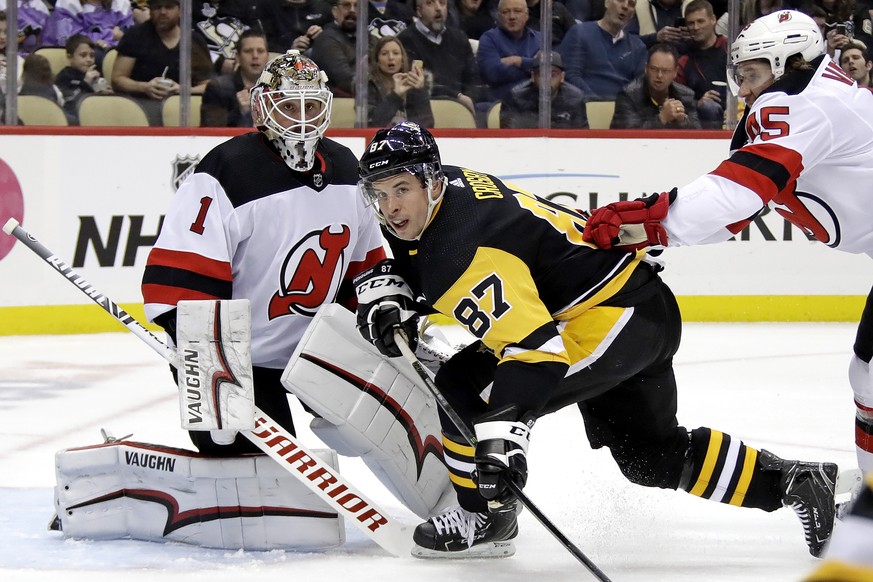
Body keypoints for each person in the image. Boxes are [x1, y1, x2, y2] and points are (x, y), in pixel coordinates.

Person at [354, 120, 840, 559]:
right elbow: (414, 245)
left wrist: (505, 433)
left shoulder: (461, 254)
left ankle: (485, 516)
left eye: (401, 189)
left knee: (465, 395)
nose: (391, 206)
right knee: (650, 456)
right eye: (380, 193)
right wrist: (391, 287)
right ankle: (796, 480)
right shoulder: (447, 185)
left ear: (430, 181)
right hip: (632, 307)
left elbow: (535, 353)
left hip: (611, 322)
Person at [582, 11, 873, 478]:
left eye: (752, 74)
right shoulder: (820, 92)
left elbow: (735, 194)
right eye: (739, 76)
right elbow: (739, 211)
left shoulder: (801, 101)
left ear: (788, 63)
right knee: (869, 378)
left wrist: (649, 220)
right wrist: (651, 236)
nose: (743, 89)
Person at [142, 51, 387, 455]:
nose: (302, 118)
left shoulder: (347, 170)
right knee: (248, 459)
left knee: (379, 433)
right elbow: (181, 288)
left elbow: (365, 273)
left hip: (316, 351)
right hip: (239, 358)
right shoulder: (225, 172)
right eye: (289, 106)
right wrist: (210, 369)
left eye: (311, 106)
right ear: (263, 108)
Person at [110, 0, 213, 125]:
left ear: (180, 10)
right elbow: (117, 79)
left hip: (181, 108)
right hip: (140, 106)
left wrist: (182, 90)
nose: (163, 12)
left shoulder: (194, 41)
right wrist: (144, 87)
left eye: (169, 7)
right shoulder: (135, 36)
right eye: (157, 7)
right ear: (151, 10)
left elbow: (208, 86)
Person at [397, 0, 483, 112]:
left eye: (442, 3)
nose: (438, 8)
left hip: (462, 109)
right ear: (419, 11)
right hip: (424, 110)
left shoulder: (459, 38)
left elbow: (474, 77)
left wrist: (470, 98)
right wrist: (457, 97)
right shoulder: (405, 40)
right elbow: (417, 84)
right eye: (430, 3)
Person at [558, 0, 647, 101]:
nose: (625, 6)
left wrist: (621, 107)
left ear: (633, 15)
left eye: (631, 4)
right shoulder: (579, 32)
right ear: (607, 2)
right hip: (583, 108)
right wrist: (597, 104)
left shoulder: (638, 47)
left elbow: (639, 86)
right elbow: (571, 76)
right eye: (620, 0)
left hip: (623, 111)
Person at [611, 42, 702, 128]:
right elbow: (627, 136)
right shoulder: (628, 95)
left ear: (675, 72)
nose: (659, 75)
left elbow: (700, 137)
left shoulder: (686, 95)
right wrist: (661, 119)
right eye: (654, 69)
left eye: (666, 71)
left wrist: (683, 121)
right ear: (646, 69)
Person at [499, 50, 588, 128]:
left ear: (562, 77)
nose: (547, 80)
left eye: (552, 75)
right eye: (542, 74)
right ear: (533, 76)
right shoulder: (516, 97)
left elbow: (582, 137)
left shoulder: (575, 98)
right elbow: (508, 136)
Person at [200, 29, 269, 127]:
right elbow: (211, 133)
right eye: (248, 51)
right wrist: (240, 112)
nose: (255, 56)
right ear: (238, 57)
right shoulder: (217, 88)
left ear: (267, 56)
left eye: (260, 51)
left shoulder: (279, 87)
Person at [477, 0, 541, 103]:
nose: (512, 16)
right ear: (499, 16)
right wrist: (532, 66)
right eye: (506, 12)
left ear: (527, 14)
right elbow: (493, 73)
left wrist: (518, 61)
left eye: (517, 11)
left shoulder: (540, 39)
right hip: (500, 103)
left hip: (534, 103)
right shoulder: (488, 39)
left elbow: (547, 71)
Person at [676, 0, 728, 129]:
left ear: (713, 20)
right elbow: (677, 100)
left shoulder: (730, 47)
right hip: (702, 123)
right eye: (691, 23)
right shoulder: (683, 60)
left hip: (737, 110)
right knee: (709, 107)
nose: (695, 27)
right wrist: (698, 103)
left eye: (700, 21)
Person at [367, 35, 434, 127]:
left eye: (395, 53)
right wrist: (395, 95)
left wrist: (419, 91)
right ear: (377, 60)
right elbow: (373, 123)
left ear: (402, 60)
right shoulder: (368, 85)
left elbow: (427, 125)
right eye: (384, 53)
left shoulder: (413, 83)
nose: (391, 57)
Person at [55, 34, 112, 123]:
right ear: (70, 58)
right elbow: (69, 101)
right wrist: (86, 83)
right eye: (83, 55)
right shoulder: (65, 76)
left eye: (92, 55)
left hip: (97, 115)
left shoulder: (96, 75)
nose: (89, 59)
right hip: (75, 118)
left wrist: (108, 94)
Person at [40, 0, 133, 54]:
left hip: (113, 55)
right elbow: (67, 41)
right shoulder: (67, 3)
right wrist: (110, 35)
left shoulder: (121, 3)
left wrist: (107, 44)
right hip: (69, 58)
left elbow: (130, 36)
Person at [309, 0, 358, 96]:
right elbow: (345, 80)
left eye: (357, 6)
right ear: (335, 11)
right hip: (338, 101)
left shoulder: (369, 38)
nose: (352, 10)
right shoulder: (326, 40)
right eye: (346, 5)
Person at [258, 0, 333, 54]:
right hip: (281, 61)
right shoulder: (268, 7)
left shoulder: (323, 8)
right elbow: (263, 42)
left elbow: (336, 35)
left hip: (317, 60)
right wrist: (290, 50)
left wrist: (323, 36)